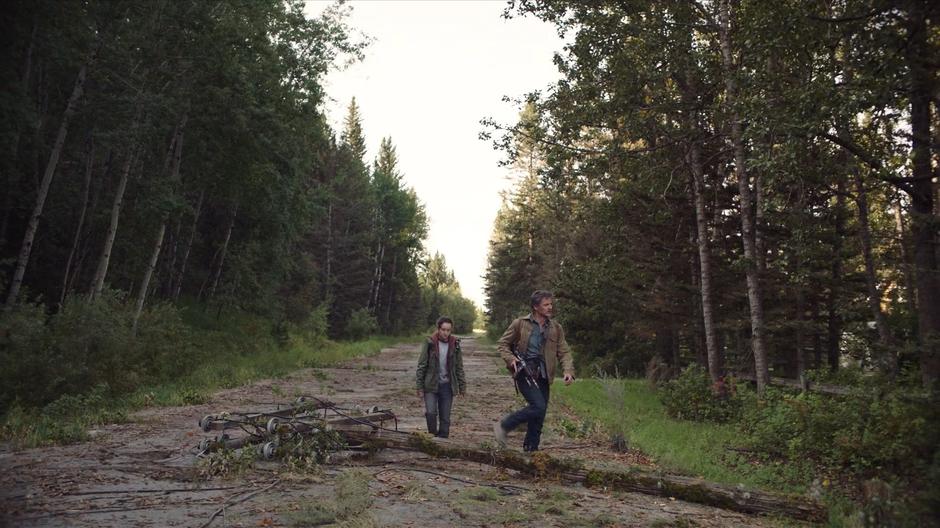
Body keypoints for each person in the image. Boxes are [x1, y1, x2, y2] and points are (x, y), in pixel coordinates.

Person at [494, 290, 574, 451]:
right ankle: (504, 426)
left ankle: (531, 450)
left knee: (540, 414)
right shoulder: (520, 323)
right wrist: (511, 359)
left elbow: (564, 351)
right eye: (546, 304)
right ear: (536, 307)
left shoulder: (556, 328)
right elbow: (503, 344)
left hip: (544, 376)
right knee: (538, 406)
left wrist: (568, 371)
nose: (550, 307)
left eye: (551, 304)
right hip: (524, 372)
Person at [415, 316, 466, 438]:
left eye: (448, 330)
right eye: (443, 329)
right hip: (431, 385)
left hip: (447, 386)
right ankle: (432, 437)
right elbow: (421, 365)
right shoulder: (430, 343)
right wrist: (419, 387)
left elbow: (459, 367)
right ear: (438, 329)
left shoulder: (455, 344)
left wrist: (462, 387)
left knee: (445, 416)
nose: (446, 333)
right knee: (431, 412)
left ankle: (443, 440)